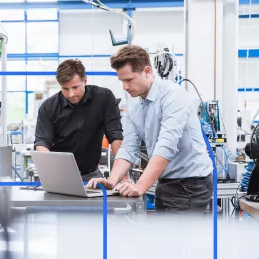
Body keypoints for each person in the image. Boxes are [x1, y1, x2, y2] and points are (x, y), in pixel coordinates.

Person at [87, 45, 213, 214]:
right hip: (165, 182)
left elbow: (166, 146)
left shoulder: (174, 96)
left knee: (179, 239)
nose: (124, 87)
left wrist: (140, 186)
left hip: (191, 184)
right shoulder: (135, 104)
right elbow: (128, 148)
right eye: (122, 81)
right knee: (165, 239)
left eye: (129, 80)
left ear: (147, 71)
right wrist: (112, 180)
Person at [34, 59, 127, 182]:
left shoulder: (104, 98)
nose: (71, 94)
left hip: (91, 175)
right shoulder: (48, 107)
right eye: (65, 89)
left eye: (75, 87)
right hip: (59, 176)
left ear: (85, 81)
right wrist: (51, 173)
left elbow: (115, 136)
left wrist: (124, 177)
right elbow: (42, 143)